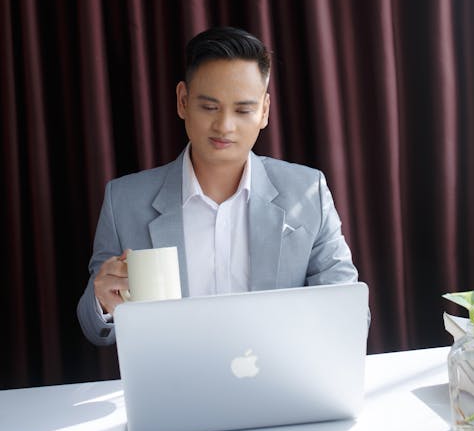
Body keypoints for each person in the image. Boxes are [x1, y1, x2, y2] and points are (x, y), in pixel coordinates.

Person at [77, 26, 362, 346]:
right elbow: (97, 331)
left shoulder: (308, 191)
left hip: (281, 382)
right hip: (173, 384)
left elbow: (351, 311)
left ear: (264, 112)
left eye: (243, 110)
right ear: (183, 101)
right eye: (209, 107)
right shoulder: (125, 201)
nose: (224, 126)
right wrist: (103, 302)